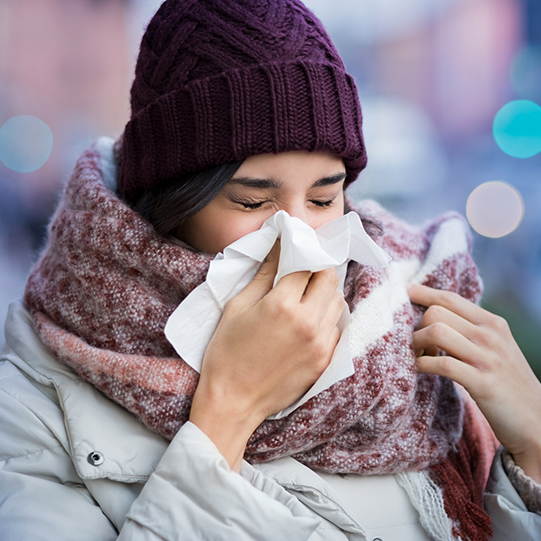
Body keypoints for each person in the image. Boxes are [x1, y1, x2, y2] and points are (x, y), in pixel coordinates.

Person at [1, 0, 540, 539]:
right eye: (254, 203)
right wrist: (228, 411)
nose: (300, 237)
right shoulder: (32, 401)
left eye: (324, 198)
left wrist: (534, 455)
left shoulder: (411, 329)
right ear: (169, 202)